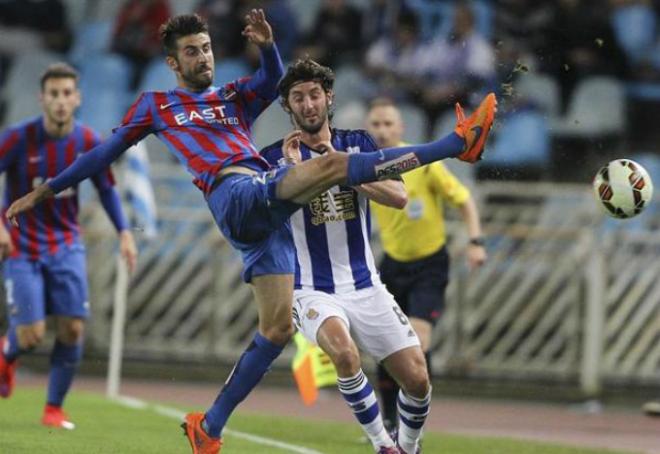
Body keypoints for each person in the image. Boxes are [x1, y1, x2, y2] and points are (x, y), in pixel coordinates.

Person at [5, 11, 497, 454]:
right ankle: (456, 143)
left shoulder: (234, 97)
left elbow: (274, 80)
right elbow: (100, 156)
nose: (204, 57)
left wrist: (269, 45)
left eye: (207, 47)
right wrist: (47, 190)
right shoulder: (156, 105)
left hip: (266, 223)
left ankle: (209, 428)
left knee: (277, 329)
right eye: (192, 51)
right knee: (333, 167)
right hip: (236, 194)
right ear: (174, 63)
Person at [261, 58, 431, 454]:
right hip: (309, 288)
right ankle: (382, 446)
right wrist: (295, 172)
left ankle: (408, 447)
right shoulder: (273, 157)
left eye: (314, 95)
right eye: (298, 97)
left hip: (365, 284)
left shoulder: (359, 145)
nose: (307, 104)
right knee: (344, 352)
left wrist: (343, 170)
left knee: (418, 380)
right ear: (288, 106)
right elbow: (265, 215)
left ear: (328, 98)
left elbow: (399, 196)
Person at [0, 62, 137, 429]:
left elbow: (106, 189)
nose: (60, 101)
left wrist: (124, 231)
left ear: (77, 99)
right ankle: (7, 352)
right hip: (21, 247)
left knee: (73, 328)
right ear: (41, 98)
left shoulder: (88, 142)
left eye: (66, 94)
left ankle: (53, 409)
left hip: (66, 244)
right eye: (53, 94)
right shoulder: (17, 138)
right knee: (31, 336)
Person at [366, 98, 487, 433]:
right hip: (392, 264)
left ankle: (414, 421)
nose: (382, 130)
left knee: (418, 342)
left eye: (388, 123)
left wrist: (475, 242)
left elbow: (464, 200)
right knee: (387, 347)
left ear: (401, 128)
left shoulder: (421, 162)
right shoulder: (366, 165)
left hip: (430, 263)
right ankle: (390, 421)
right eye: (376, 124)